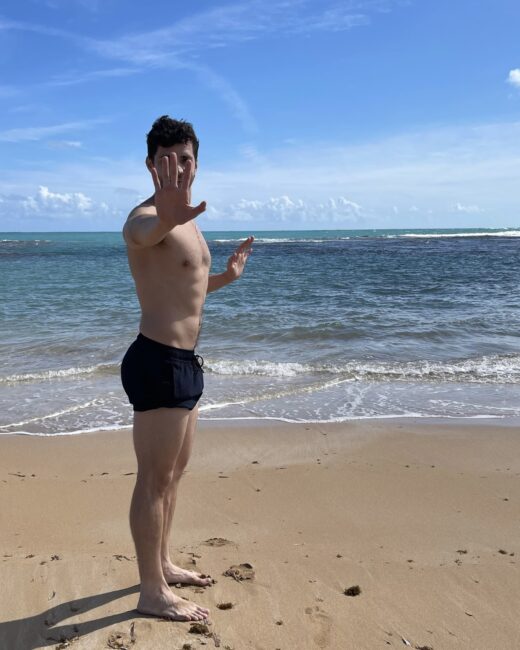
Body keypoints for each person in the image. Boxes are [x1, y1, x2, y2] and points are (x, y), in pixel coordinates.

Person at [121, 115, 253, 621]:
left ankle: (163, 564)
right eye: (167, 160)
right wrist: (164, 220)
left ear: (196, 163)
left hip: (184, 362)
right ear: (151, 165)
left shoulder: (188, 221)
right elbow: (139, 235)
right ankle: (151, 592)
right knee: (153, 480)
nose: (178, 167)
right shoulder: (147, 217)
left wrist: (226, 278)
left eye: (186, 158)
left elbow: (187, 289)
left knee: (174, 474)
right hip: (157, 361)